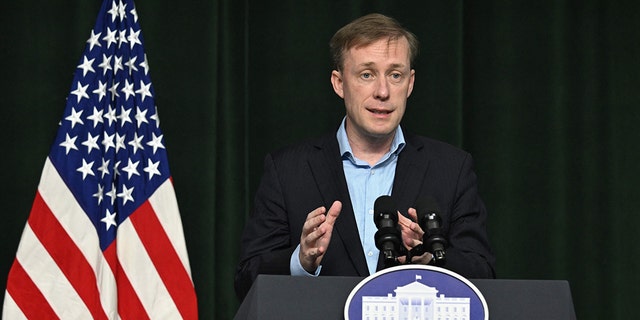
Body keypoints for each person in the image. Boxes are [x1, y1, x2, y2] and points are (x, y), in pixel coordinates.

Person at [234, 13, 495, 300]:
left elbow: (483, 274)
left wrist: (430, 261)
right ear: (339, 83)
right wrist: (301, 260)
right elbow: (246, 281)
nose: (383, 92)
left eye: (395, 75)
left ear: (410, 84)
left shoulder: (451, 168)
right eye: (367, 74)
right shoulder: (288, 170)